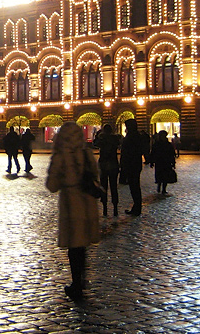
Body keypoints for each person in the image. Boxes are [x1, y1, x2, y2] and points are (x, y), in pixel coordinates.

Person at [45, 122, 101, 301]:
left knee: (73, 247)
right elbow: (95, 175)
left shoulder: (61, 156)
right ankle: (81, 279)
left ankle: (76, 283)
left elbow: (51, 185)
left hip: (71, 204)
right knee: (82, 245)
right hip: (87, 204)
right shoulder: (85, 152)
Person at [93, 123, 120, 217]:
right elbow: (119, 143)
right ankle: (115, 208)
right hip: (113, 164)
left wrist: (98, 135)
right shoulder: (115, 138)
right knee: (114, 187)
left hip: (104, 165)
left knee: (104, 187)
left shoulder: (102, 138)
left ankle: (105, 208)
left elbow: (94, 144)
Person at [120, 118, 145, 215]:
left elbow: (127, 151)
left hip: (131, 164)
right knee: (135, 186)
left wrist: (124, 164)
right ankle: (136, 207)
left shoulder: (132, 136)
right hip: (135, 163)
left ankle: (137, 208)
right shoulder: (136, 136)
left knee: (134, 187)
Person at [149, 130, 176, 195]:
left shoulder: (159, 144)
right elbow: (153, 153)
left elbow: (172, 154)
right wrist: (152, 161)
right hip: (161, 162)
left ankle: (163, 188)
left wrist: (173, 162)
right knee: (161, 175)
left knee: (164, 175)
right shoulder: (166, 144)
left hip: (164, 162)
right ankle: (160, 186)